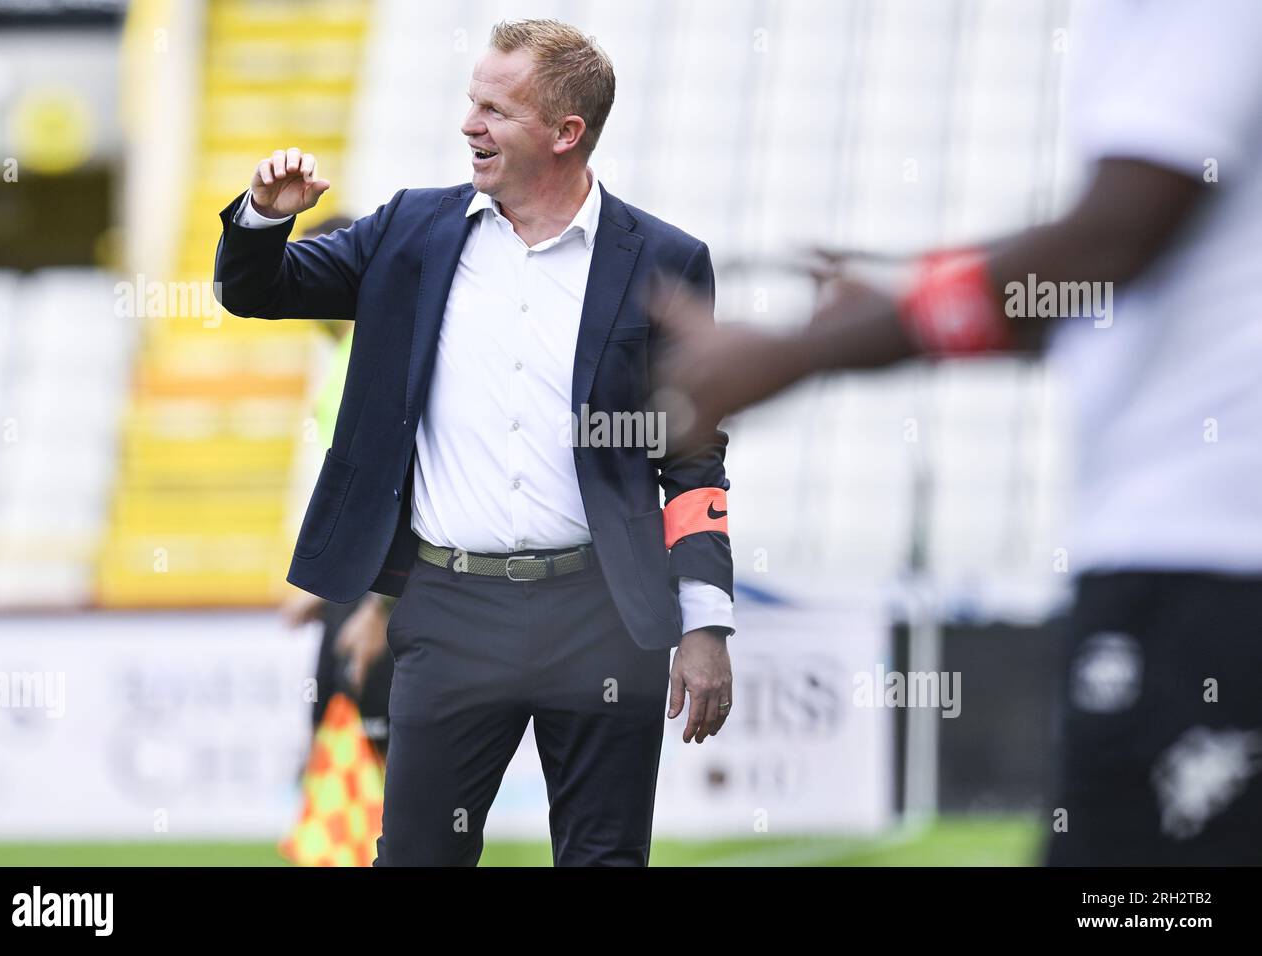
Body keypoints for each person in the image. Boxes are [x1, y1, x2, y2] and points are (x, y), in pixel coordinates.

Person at [649, 0, 1262, 865]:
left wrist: (796, 354)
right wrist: (905, 298)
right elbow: (1090, 280)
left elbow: (1113, 240)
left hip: (1205, 564)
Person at [214, 19, 736, 867]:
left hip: (605, 613)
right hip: (449, 610)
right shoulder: (410, 233)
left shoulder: (664, 261)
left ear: (567, 133)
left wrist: (706, 622)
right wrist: (265, 219)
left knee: (604, 860)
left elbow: (692, 459)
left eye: (495, 108)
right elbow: (256, 291)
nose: (469, 124)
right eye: (470, 101)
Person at [278, 215, 396, 762]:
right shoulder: (347, 353)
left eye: (309, 273)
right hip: (351, 579)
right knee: (334, 745)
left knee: (368, 753)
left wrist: (377, 609)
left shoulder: (380, 357)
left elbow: (394, 489)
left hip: (378, 585)